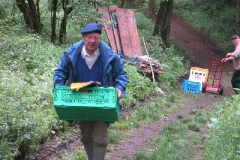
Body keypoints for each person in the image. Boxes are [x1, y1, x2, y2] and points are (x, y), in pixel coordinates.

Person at [53, 22, 128, 160]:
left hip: (102, 100)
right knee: (86, 135)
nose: (92, 41)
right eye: (88, 37)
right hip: (80, 100)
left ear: (100, 38)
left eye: (95, 37)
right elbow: (60, 72)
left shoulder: (110, 56)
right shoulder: (71, 54)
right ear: (83, 37)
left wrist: (119, 88)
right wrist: (59, 88)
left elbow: (121, 74)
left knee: (100, 137)